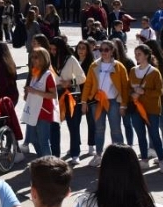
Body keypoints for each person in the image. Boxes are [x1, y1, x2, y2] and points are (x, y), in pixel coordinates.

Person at [81, 39, 129, 167]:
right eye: (101, 50)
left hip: (113, 101)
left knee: (116, 130)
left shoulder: (119, 66)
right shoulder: (94, 65)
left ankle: (119, 156)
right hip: (97, 102)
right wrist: (84, 101)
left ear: (112, 51)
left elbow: (125, 87)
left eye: (106, 50)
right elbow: (88, 84)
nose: (103, 52)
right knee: (99, 129)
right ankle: (98, 155)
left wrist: (123, 104)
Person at [128, 45, 163, 173]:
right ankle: (144, 160)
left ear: (146, 55)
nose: (136, 56)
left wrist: (143, 91)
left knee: (154, 134)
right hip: (136, 109)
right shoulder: (133, 70)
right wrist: (132, 94)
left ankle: (161, 160)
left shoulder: (155, 72)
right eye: (135, 53)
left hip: (152, 109)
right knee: (140, 135)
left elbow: (159, 92)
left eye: (139, 53)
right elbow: (129, 88)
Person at [50, 37, 86, 165]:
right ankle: (55, 155)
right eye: (51, 49)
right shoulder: (49, 60)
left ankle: (75, 153)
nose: (52, 51)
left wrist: (70, 82)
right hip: (54, 96)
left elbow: (82, 77)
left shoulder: (70, 59)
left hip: (70, 95)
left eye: (55, 49)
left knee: (73, 125)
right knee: (54, 126)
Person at [21, 47, 58, 157]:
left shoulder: (48, 75)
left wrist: (35, 91)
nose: (33, 59)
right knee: (32, 137)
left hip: (44, 112)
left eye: (36, 57)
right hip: (33, 111)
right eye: (32, 57)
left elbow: (53, 95)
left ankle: (49, 165)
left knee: (43, 141)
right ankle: (43, 159)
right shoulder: (35, 73)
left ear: (43, 59)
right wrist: (28, 93)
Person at [146, 39, 163, 163]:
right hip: (149, 99)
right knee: (151, 125)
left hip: (159, 99)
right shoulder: (149, 63)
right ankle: (152, 148)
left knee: (162, 125)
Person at [74, 40, 96, 156]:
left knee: (91, 122)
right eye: (79, 48)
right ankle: (75, 144)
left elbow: (89, 83)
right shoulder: (73, 61)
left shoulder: (91, 64)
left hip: (89, 98)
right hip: (75, 97)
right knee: (75, 123)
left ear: (88, 50)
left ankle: (91, 145)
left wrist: (86, 101)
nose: (81, 50)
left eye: (83, 48)